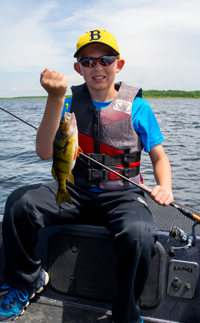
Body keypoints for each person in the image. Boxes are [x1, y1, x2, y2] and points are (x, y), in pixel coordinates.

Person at [0, 29, 174, 323]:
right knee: (19, 203)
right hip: (74, 191)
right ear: (78, 68)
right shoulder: (67, 105)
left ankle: (126, 312)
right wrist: (55, 97)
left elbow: (160, 157)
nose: (97, 67)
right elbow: (45, 152)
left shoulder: (139, 107)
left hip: (123, 196)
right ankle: (24, 282)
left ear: (118, 64)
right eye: (88, 61)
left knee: (141, 235)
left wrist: (165, 187)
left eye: (105, 59)